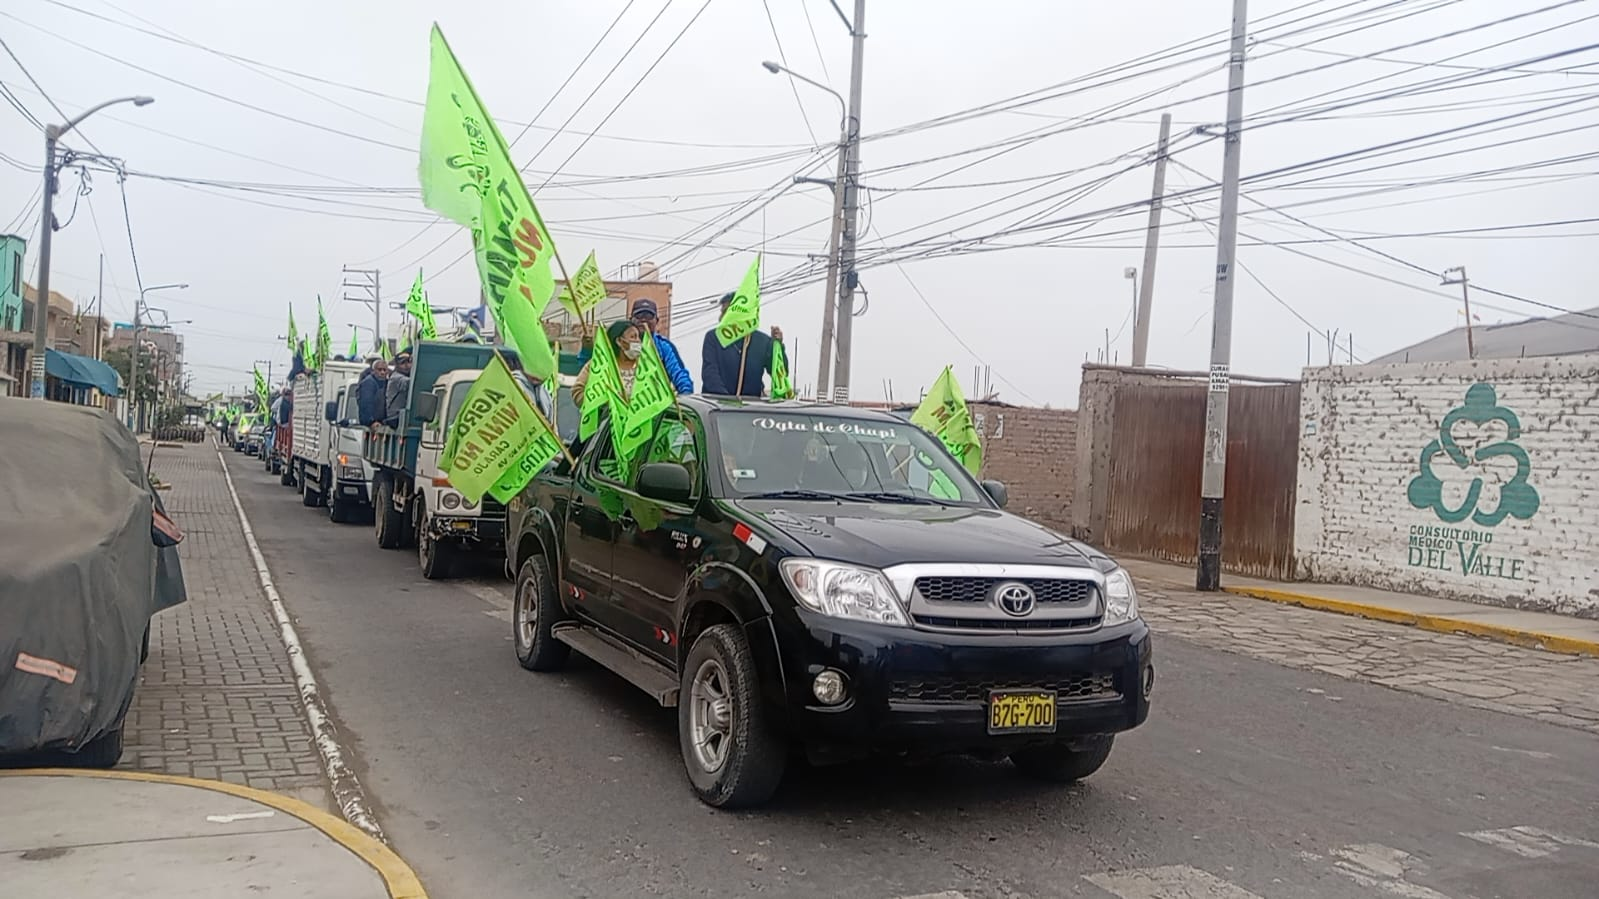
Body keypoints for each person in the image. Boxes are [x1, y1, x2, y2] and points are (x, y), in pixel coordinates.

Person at [701, 292, 782, 398]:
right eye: (721, 313)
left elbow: (778, 374)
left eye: (725, 312)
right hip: (717, 406)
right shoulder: (713, 337)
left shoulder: (762, 341)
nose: (720, 318)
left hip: (749, 408)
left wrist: (778, 348)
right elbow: (710, 374)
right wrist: (728, 401)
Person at [572, 320, 642, 409]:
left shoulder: (645, 365)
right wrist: (603, 404)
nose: (638, 341)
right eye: (633, 337)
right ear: (619, 341)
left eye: (638, 337)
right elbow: (577, 391)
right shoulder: (598, 364)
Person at [629, 299, 692, 394]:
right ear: (630, 320)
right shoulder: (622, 344)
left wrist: (686, 393)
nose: (644, 319)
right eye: (639, 315)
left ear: (656, 321)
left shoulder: (664, 347)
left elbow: (679, 374)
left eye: (649, 316)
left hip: (658, 404)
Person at [357, 357, 389, 427]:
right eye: (379, 370)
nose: (382, 372)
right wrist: (371, 421)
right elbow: (366, 404)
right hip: (372, 423)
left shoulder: (386, 383)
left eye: (384, 370)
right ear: (373, 371)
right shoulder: (368, 383)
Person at [385, 352, 412, 427]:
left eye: (409, 362)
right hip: (395, 417)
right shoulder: (396, 377)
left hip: (400, 416)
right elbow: (409, 383)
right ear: (396, 365)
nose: (407, 365)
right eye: (403, 363)